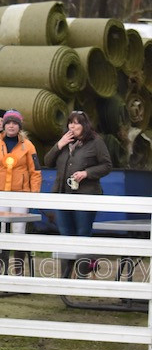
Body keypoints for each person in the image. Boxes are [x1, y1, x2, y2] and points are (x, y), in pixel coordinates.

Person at [43, 110, 112, 278]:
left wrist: (87, 173)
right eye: (70, 123)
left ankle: (82, 277)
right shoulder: (64, 143)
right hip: (62, 196)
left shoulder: (96, 142)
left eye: (77, 123)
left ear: (85, 125)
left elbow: (107, 165)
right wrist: (59, 144)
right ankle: (65, 280)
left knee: (82, 233)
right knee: (66, 235)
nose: (72, 126)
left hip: (85, 196)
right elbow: (47, 162)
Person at [0, 109, 42, 275]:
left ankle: (18, 270)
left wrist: (33, 196)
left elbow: (35, 172)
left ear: (19, 126)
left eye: (15, 123)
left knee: (18, 231)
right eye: (8, 123)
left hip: (21, 195)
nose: (11, 126)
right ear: (4, 125)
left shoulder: (28, 146)